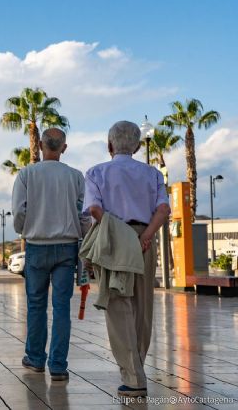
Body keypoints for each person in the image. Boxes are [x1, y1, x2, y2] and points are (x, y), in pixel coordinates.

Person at [83, 121, 170, 397]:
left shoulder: (97, 172)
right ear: (137, 146)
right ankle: (138, 369)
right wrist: (147, 236)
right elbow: (163, 209)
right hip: (145, 237)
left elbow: (94, 209)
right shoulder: (153, 174)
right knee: (143, 306)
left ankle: (133, 378)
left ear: (109, 145)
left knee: (118, 305)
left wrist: (117, 230)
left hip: (114, 237)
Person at [11, 128, 87, 381]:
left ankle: (35, 358)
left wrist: (26, 229)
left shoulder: (26, 175)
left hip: (36, 245)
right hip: (67, 247)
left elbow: (19, 211)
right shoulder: (75, 177)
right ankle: (58, 365)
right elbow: (84, 213)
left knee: (36, 305)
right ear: (64, 148)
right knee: (62, 307)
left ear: (41, 146)